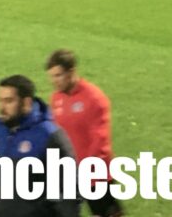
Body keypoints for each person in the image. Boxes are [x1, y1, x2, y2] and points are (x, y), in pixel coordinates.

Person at [0, 75, 79, 217]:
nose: (2, 107)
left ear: (26, 103)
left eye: (8, 101)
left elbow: (70, 189)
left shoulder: (48, 135)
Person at [46, 50, 124, 217]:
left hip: (96, 175)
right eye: (52, 76)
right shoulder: (56, 98)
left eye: (58, 75)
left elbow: (100, 141)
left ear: (72, 71)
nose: (54, 81)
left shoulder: (94, 98)